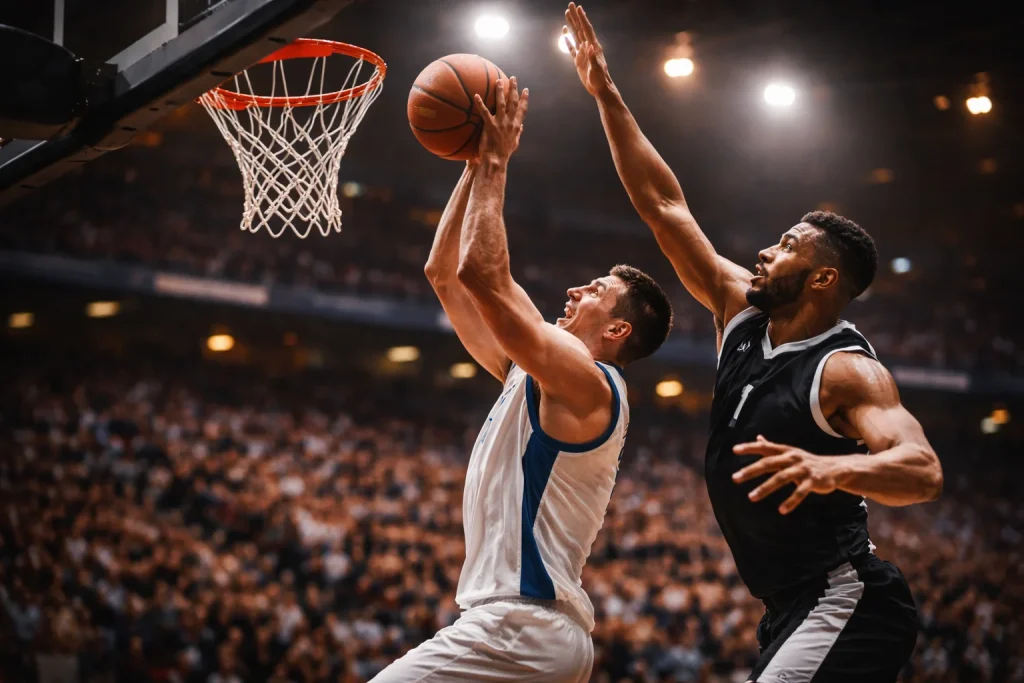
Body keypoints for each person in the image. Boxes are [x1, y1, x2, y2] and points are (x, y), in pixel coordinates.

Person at [562, 4, 944, 682]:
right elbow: (663, 206)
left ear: (822, 278)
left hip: (847, 599)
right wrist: (605, 91)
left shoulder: (846, 372)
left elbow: (922, 470)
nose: (766, 251)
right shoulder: (739, 309)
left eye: (788, 245)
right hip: (786, 608)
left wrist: (832, 470)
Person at [372, 77, 673, 682]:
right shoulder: (530, 371)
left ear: (618, 330)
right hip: (524, 632)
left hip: (521, 628)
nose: (575, 289)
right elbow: (444, 273)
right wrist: (472, 160)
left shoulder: (589, 383)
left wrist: (496, 160)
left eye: (595, 291)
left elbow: (483, 273)